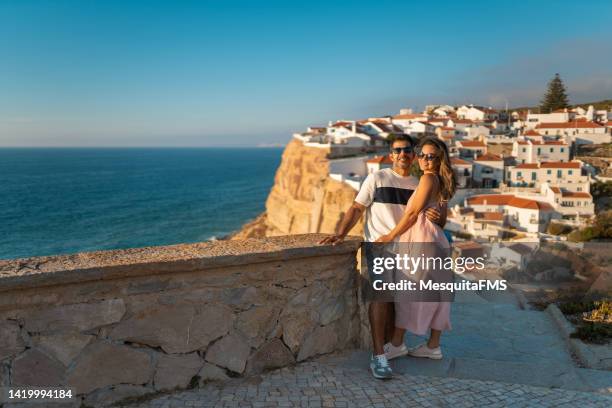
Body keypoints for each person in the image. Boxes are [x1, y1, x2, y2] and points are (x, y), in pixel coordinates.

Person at [319, 134, 446, 379]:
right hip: (378, 246)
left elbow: (438, 216)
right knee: (380, 297)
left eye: (408, 150)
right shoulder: (377, 178)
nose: (403, 154)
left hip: (409, 248)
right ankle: (378, 356)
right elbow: (357, 207)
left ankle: (394, 347)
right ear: (391, 155)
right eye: (397, 150)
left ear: (414, 154)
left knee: (400, 301)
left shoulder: (420, 183)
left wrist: (438, 217)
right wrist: (340, 233)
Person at [376, 137, 456, 362]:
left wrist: (389, 236)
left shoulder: (428, 179)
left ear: (440, 159)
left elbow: (411, 215)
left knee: (409, 291)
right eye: (422, 155)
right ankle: (433, 346)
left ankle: (397, 344)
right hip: (436, 239)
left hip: (421, 239)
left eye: (431, 156)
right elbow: (442, 220)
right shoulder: (442, 180)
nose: (424, 160)